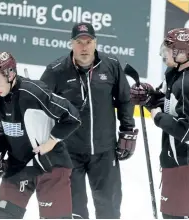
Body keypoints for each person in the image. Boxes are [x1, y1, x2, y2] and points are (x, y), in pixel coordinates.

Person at [40, 22, 138, 219]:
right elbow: (40, 106)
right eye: (79, 42)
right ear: (71, 44)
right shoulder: (56, 70)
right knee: (74, 209)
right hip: (69, 152)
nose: (84, 47)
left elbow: (125, 98)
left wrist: (127, 129)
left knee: (109, 208)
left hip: (104, 151)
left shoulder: (111, 65)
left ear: (95, 43)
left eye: (89, 41)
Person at [0, 51, 81, 219]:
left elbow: (73, 117)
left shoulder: (34, 93)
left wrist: (51, 141)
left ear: (10, 74)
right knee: (6, 214)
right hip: (18, 166)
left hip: (50, 165)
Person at [130, 27, 189, 219]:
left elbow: (187, 131)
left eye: (170, 48)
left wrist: (155, 114)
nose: (164, 52)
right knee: (176, 214)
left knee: (176, 216)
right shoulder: (175, 73)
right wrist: (150, 96)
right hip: (181, 158)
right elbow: (167, 100)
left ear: (183, 53)